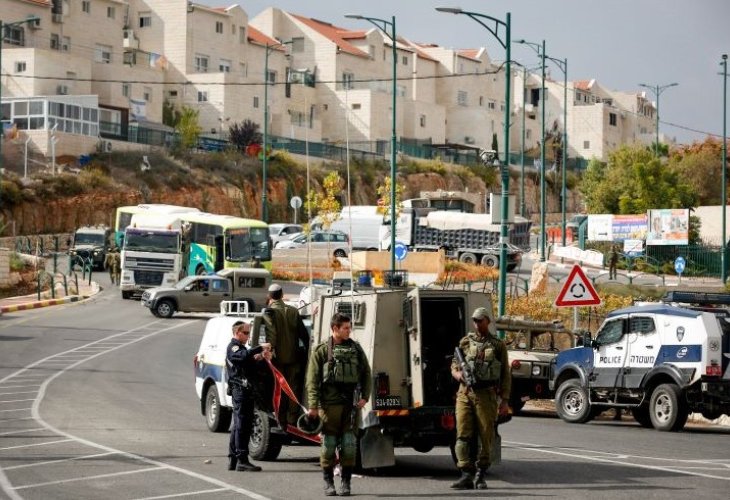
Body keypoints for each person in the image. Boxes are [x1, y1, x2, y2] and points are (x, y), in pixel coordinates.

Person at [306, 313, 372, 496]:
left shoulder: (356, 349)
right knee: (328, 446)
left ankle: (346, 482)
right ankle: (328, 482)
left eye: (349, 327)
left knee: (349, 446)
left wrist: (365, 397)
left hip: (350, 407)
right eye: (345, 328)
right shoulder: (321, 351)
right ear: (335, 329)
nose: (349, 331)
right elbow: (312, 380)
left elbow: (366, 373)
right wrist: (313, 406)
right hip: (328, 407)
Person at [450, 307, 511, 490]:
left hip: (486, 394)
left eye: (480, 320)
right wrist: (458, 375)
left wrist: (505, 400)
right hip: (465, 393)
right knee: (462, 435)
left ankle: (480, 474)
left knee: (486, 436)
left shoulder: (498, 345)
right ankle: (466, 473)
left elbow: (505, 375)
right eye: (475, 321)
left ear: (488, 322)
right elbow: (453, 365)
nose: (477, 324)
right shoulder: (465, 342)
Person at [226, 321, 271, 472]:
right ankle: (242, 460)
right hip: (240, 390)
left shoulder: (242, 349)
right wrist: (259, 348)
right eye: (245, 333)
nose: (247, 336)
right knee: (242, 426)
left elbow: (249, 364)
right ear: (237, 332)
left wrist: (261, 357)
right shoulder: (234, 347)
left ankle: (234, 459)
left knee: (239, 426)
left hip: (245, 390)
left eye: (248, 333)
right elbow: (241, 357)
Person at [263, 283, 310, 427]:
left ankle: (281, 420)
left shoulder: (269, 312)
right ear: (282, 295)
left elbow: (272, 335)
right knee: (293, 389)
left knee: (280, 389)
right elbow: (304, 335)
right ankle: (292, 420)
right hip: (294, 357)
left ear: (270, 297)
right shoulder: (293, 311)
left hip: (278, 359)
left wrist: (269, 351)